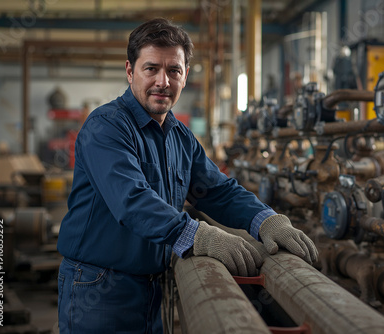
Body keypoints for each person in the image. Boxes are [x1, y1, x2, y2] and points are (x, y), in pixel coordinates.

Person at [57, 17, 318, 334]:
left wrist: (265, 219)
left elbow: (217, 191)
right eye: (151, 68)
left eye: (173, 71)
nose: (163, 81)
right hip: (101, 287)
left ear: (185, 75)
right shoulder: (106, 127)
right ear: (130, 71)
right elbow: (132, 201)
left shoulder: (179, 136)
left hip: (152, 286)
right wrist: (198, 235)